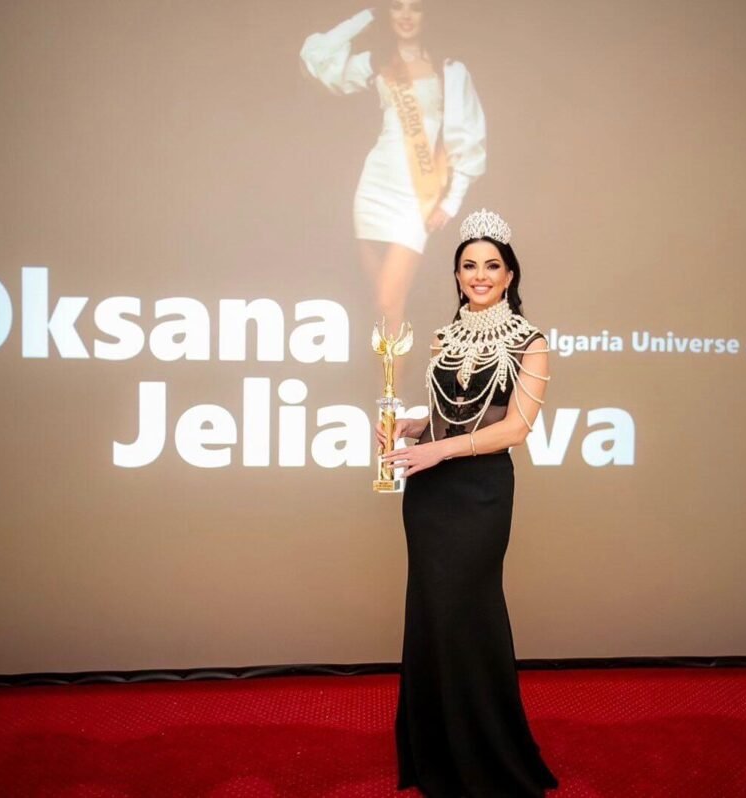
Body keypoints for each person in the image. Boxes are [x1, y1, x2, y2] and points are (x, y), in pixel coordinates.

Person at [377, 208, 559, 796]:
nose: (480, 275)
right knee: (433, 616)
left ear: (509, 275)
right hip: (430, 497)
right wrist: (410, 429)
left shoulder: (531, 342)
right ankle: (436, 754)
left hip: (480, 494)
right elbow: (447, 416)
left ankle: (486, 755)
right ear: (457, 275)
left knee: (470, 615)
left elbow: (515, 430)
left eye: (492, 265)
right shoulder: (443, 337)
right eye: (469, 266)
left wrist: (438, 450)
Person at [300, 1, 487, 335]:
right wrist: (366, 15)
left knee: (388, 301)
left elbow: (468, 137)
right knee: (385, 308)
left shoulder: (450, 69)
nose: (405, 15)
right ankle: (391, 372)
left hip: (416, 196)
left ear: (427, 15)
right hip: (374, 188)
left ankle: (396, 370)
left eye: (415, 8)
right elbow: (317, 57)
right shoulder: (377, 62)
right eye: (397, 7)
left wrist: (451, 201)